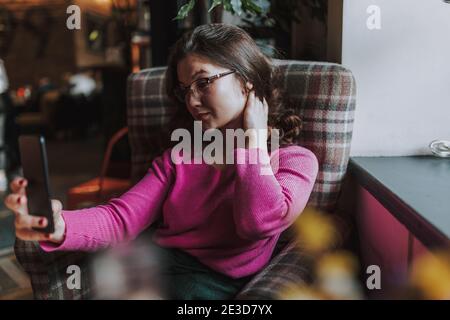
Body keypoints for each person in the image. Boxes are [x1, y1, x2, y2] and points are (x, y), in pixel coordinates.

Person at [4, 24, 319, 299]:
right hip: (156, 265)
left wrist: (252, 142)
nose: (192, 101)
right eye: (185, 90)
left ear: (247, 80)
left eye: (204, 82)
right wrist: (59, 225)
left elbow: (256, 223)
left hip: (208, 286)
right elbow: (120, 219)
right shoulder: (180, 157)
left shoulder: (295, 162)